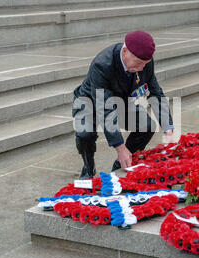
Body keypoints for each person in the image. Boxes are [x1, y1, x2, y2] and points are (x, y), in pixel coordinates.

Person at [72, 30, 176, 179]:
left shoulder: (145, 62)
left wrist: (168, 130)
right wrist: (120, 147)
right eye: (138, 63)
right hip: (91, 101)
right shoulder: (102, 64)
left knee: (147, 127)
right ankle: (88, 168)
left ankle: (123, 162)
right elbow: (104, 108)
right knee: (85, 133)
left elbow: (156, 93)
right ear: (125, 51)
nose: (141, 69)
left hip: (122, 99)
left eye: (144, 64)